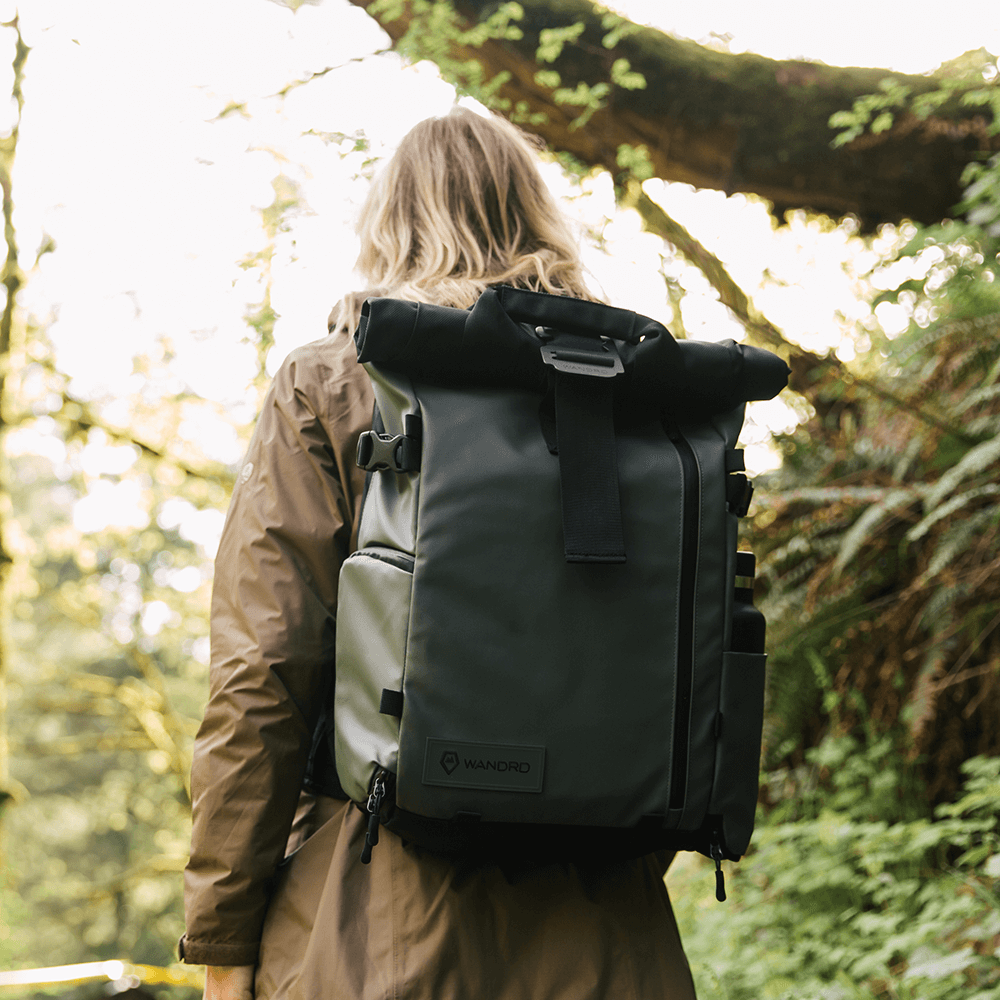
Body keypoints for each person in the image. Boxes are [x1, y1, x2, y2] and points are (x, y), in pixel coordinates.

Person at [180, 106, 698, 1000]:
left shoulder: (332, 383)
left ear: (388, 226)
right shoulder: (636, 396)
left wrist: (222, 934)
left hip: (377, 910)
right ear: (540, 219)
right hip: (611, 920)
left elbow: (265, 668)